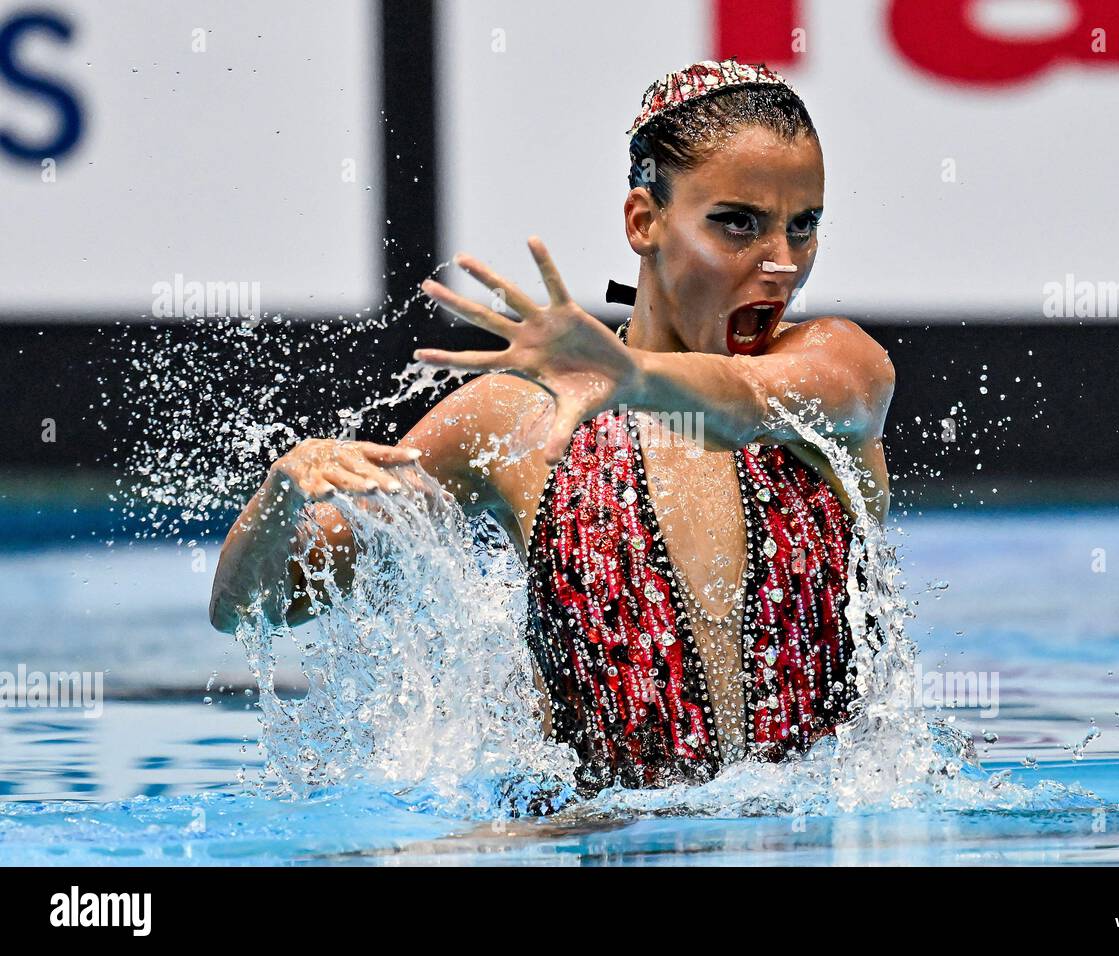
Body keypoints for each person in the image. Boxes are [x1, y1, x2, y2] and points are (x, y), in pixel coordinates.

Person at [209, 59, 895, 797]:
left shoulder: (837, 370)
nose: (783, 265)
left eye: (805, 226)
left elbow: (742, 404)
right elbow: (251, 608)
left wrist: (633, 379)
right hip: (591, 837)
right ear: (645, 220)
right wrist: (282, 497)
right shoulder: (516, 421)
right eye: (737, 223)